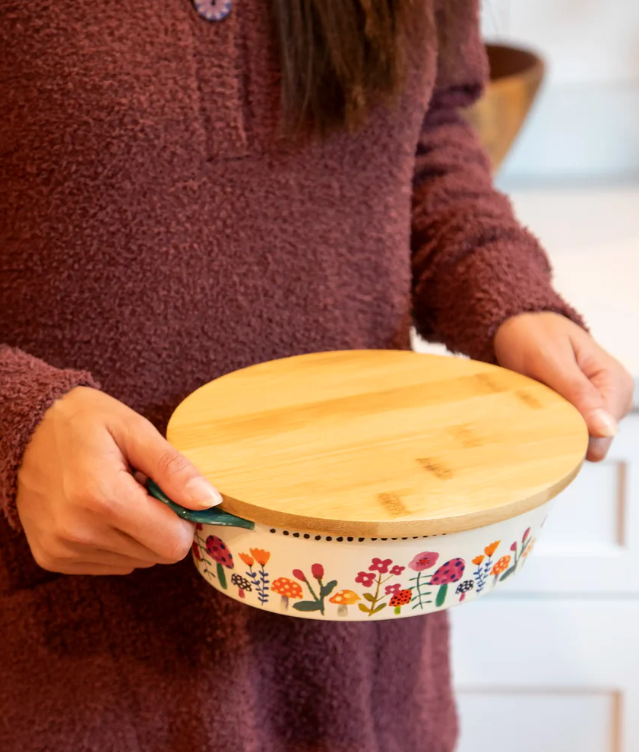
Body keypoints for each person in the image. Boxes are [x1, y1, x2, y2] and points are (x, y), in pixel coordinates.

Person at [0, 1, 632, 750]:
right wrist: (16, 420)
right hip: (67, 656)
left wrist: (503, 293)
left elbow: (427, 139)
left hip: (369, 655)